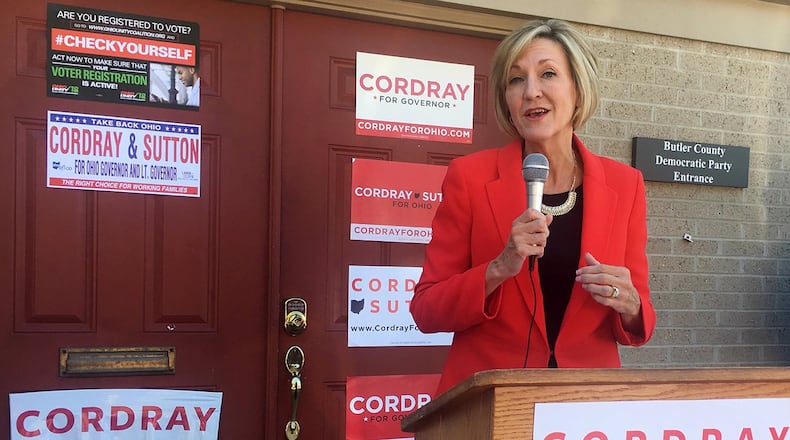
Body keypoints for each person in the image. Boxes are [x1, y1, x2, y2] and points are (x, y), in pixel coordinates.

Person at [410, 19, 656, 395]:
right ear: (506, 100)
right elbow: (426, 310)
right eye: (515, 80)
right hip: (488, 403)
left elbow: (639, 322)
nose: (531, 91)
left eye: (548, 74)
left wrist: (630, 302)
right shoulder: (469, 178)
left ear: (579, 89)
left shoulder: (625, 185)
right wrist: (497, 269)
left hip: (585, 407)